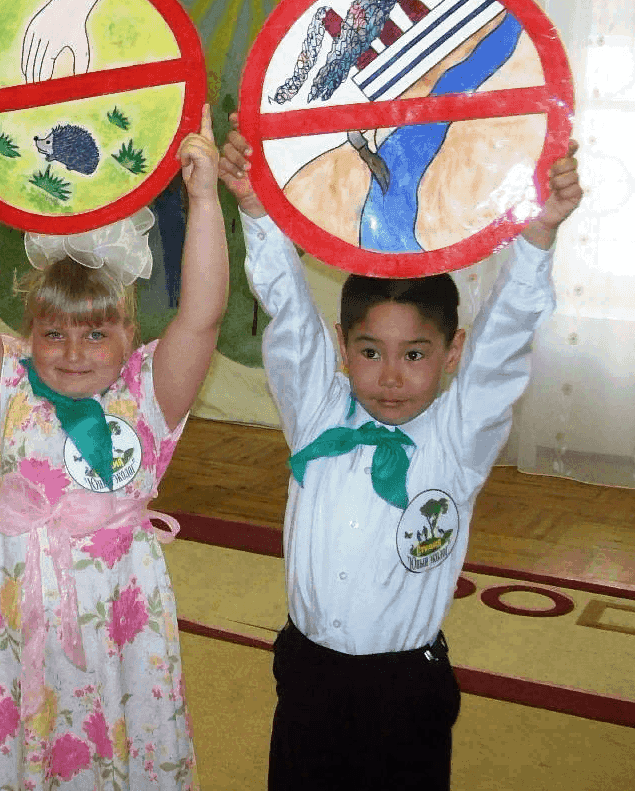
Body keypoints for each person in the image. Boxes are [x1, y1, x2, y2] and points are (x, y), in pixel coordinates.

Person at [218, 113, 583, 790]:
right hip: (308, 673)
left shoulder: (460, 436)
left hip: (405, 688)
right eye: (369, 352)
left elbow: (508, 334)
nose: (390, 376)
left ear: (453, 354)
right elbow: (288, 314)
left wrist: (538, 233)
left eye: (415, 354)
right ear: (342, 347)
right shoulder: (318, 413)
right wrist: (256, 210)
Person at [0, 108, 227, 790]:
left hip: (120, 607)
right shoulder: (11, 380)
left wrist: (203, 199)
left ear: (130, 331)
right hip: (17, 597)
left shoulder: (150, 391)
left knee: (114, 731)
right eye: (54, 334)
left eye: (95, 334)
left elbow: (202, 312)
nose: (73, 353)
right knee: (19, 731)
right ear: (30, 335)